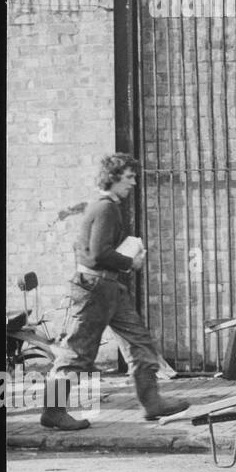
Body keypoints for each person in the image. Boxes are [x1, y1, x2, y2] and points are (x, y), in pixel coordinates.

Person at [50, 153, 190, 425]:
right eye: (129, 177)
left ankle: (152, 403)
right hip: (95, 287)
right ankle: (53, 411)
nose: (134, 183)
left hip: (109, 286)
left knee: (139, 342)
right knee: (77, 352)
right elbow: (99, 253)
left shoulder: (107, 206)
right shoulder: (104, 208)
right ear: (112, 178)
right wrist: (131, 261)